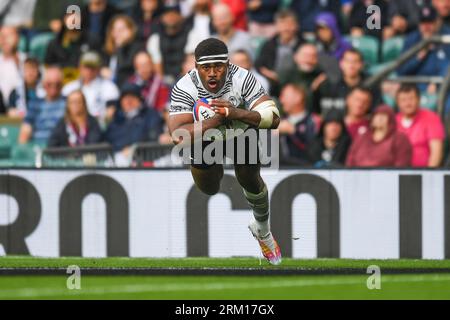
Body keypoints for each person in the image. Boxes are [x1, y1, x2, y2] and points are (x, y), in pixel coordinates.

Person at [168, 38, 282, 265]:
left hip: (239, 132)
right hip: (205, 139)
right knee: (209, 188)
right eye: (206, 67)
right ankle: (214, 163)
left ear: (228, 65)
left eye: (218, 66)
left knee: (250, 180)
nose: (212, 73)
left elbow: (275, 119)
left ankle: (263, 231)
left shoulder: (243, 78)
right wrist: (214, 121)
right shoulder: (185, 87)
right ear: (196, 67)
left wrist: (237, 113)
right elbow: (177, 136)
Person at [105, 83, 164, 166]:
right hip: (117, 163)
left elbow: (154, 138)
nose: (128, 101)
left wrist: (132, 150)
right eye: (125, 98)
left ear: (140, 99)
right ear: (120, 101)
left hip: (144, 162)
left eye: (132, 97)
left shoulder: (151, 115)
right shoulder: (115, 120)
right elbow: (107, 142)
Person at [397, 4, 450, 94]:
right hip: (414, 87)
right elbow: (401, 71)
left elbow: (447, 65)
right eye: (423, 22)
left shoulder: (446, 38)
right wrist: (419, 57)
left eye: (430, 22)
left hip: (443, 85)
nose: (426, 27)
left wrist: (437, 83)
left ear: (437, 22)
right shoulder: (411, 40)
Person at [62, 51, 120, 125]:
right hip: (73, 126)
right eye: (86, 67)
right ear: (80, 67)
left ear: (99, 69)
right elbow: (64, 112)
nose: (89, 71)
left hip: (99, 126)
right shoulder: (69, 88)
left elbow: (110, 113)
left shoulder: (109, 87)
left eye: (92, 68)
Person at [395, 84, 445, 168]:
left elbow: (436, 152)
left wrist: (429, 175)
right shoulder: (393, 121)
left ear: (419, 99)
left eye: (411, 98)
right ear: (398, 102)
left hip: (423, 174)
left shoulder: (431, 118)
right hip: (396, 174)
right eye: (403, 100)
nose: (407, 103)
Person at [255, 9, 303, 94]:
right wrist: (270, 74)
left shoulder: (303, 45)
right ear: (276, 26)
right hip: (273, 81)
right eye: (282, 24)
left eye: (289, 24)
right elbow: (259, 65)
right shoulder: (269, 44)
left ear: (296, 25)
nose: (286, 28)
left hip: (296, 82)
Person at [346, 105, 412, 167]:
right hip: (360, 177)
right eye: (377, 115)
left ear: (391, 119)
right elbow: (351, 159)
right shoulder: (362, 137)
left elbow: (402, 164)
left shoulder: (400, 138)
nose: (380, 118)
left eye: (384, 115)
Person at [18, 67, 66, 145]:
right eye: (49, 84)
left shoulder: (69, 103)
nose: (53, 87)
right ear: (44, 84)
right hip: (39, 146)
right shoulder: (35, 104)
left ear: (62, 84)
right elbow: (25, 130)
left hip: (61, 148)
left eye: (57, 84)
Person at [146, 5, 191, 85]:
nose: (170, 17)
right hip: (164, 80)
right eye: (167, 14)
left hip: (185, 78)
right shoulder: (155, 38)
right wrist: (162, 81)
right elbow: (157, 62)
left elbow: (190, 60)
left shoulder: (190, 33)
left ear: (180, 16)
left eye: (174, 14)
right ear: (162, 17)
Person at [314, 48, 366, 117]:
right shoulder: (330, 85)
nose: (351, 65)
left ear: (361, 64)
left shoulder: (369, 86)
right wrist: (314, 88)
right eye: (348, 61)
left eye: (355, 62)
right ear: (341, 63)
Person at [278, 83, 319, 165]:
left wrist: (293, 131)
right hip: (281, 172)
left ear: (298, 97)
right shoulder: (279, 121)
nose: (281, 100)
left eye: (284, 96)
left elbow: (314, 150)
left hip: (306, 171)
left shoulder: (314, 120)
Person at [279, 43, 324, 111]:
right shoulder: (286, 76)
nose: (309, 60)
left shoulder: (320, 77)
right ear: (296, 57)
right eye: (305, 55)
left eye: (313, 56)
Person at [103, 15, 143, 87]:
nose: (117, 33)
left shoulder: (137, 48)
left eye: (122, 29)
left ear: (131, 30)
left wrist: (120, 47)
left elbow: (124, 69)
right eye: (114, 30)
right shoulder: (108, 50)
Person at [0, 26, 26, 108]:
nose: (5, 39)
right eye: (2, 36)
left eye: (9, 36)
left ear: (17, 38)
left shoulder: (27, 61)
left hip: (20, 110)